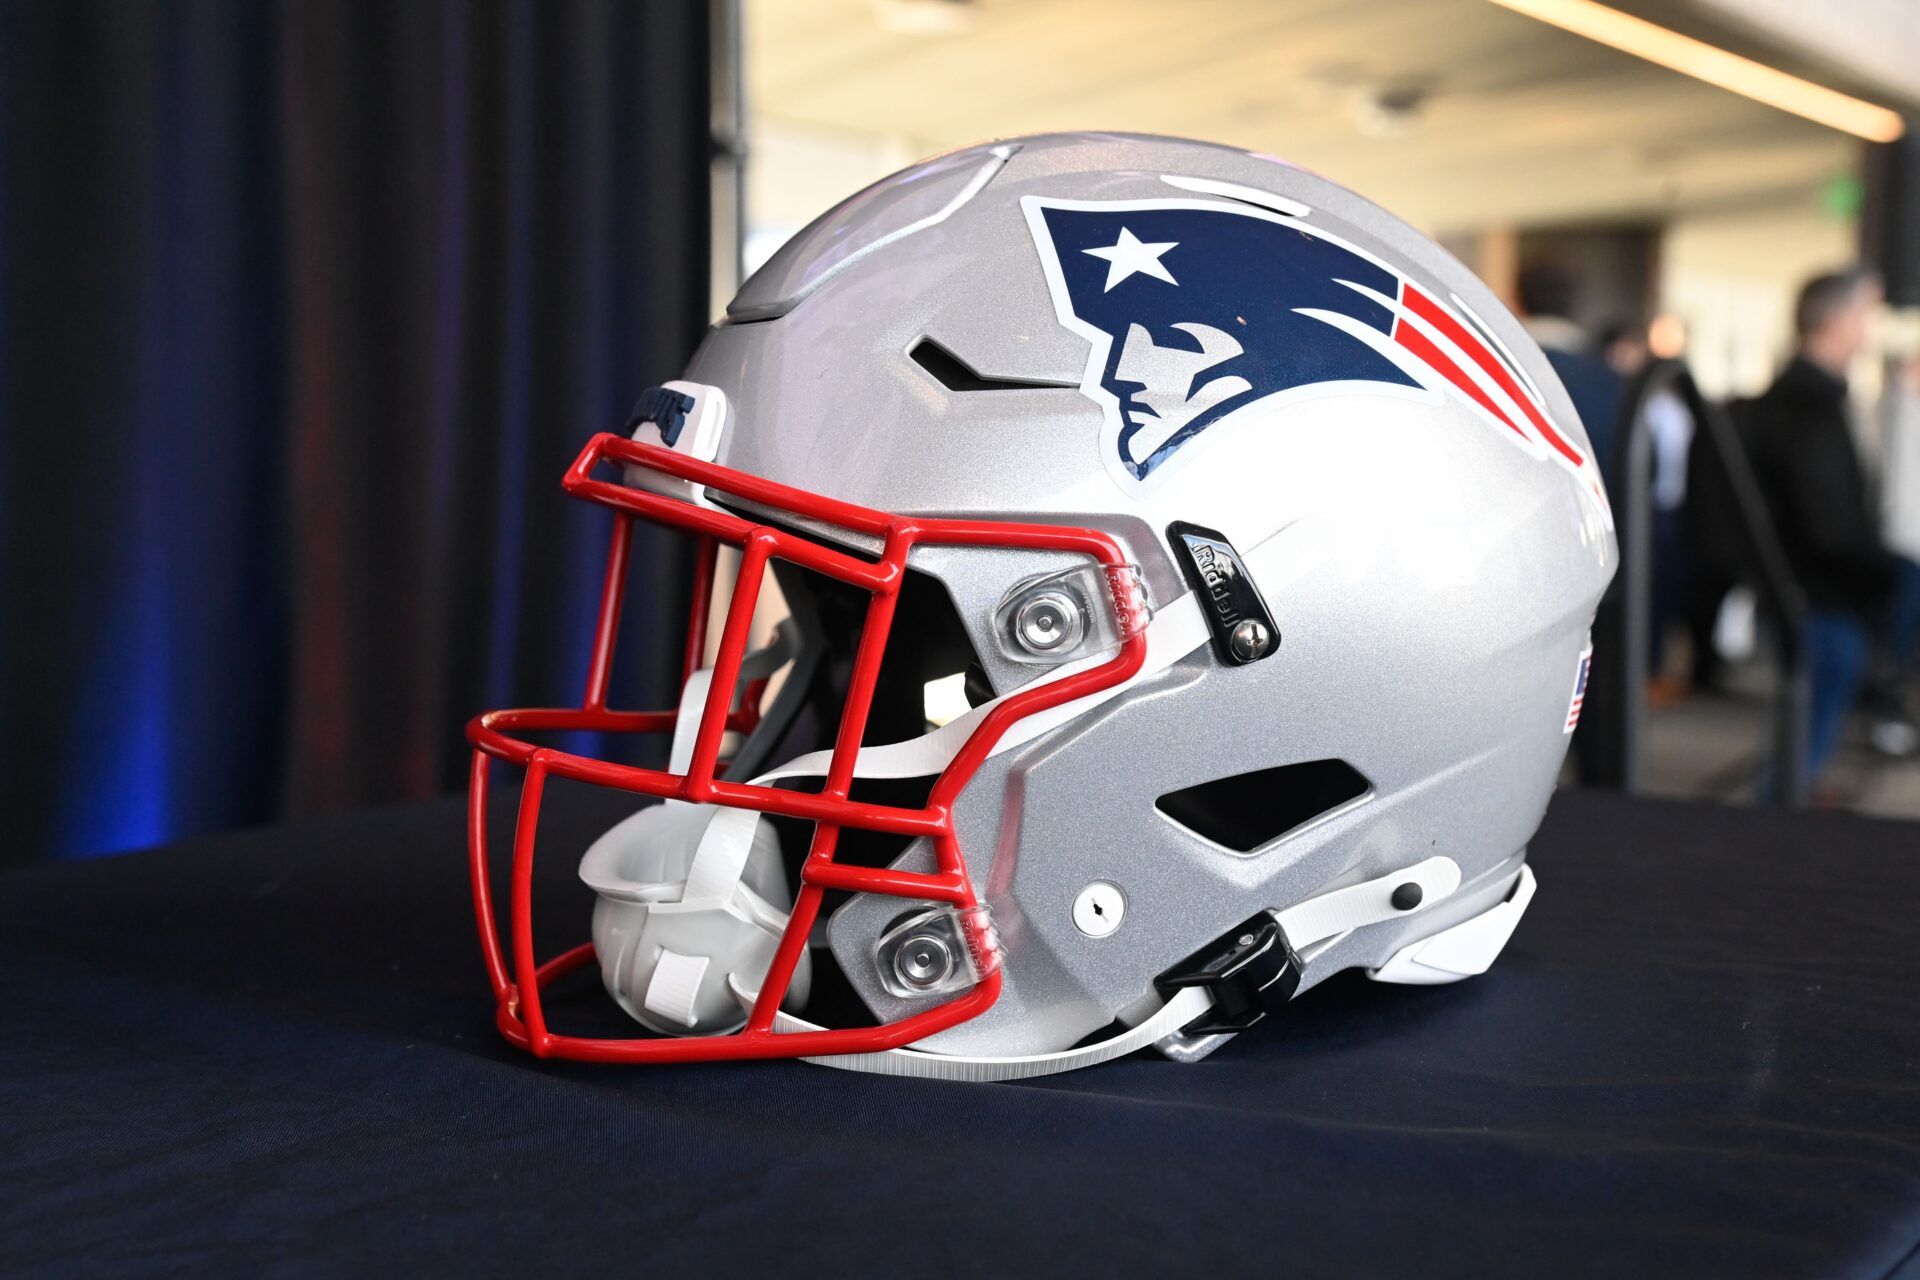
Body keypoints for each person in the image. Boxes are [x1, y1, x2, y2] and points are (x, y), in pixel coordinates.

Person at [1747, 267, 1898, 789]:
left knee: (1802, 747)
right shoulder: (1811, 407)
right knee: (1800, 755)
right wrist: (1883, 577)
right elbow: (1827, 523)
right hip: (1821, 599)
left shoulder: (1799, 397)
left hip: (1810, 593)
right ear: (1837, 320)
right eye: (1866, 315)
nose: (1870, 330)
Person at [1519, 260, 1626, 785]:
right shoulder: (1612, 382)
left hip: (1513, 563)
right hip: (1597, 555)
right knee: (1596, 701)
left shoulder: (1502, 371)